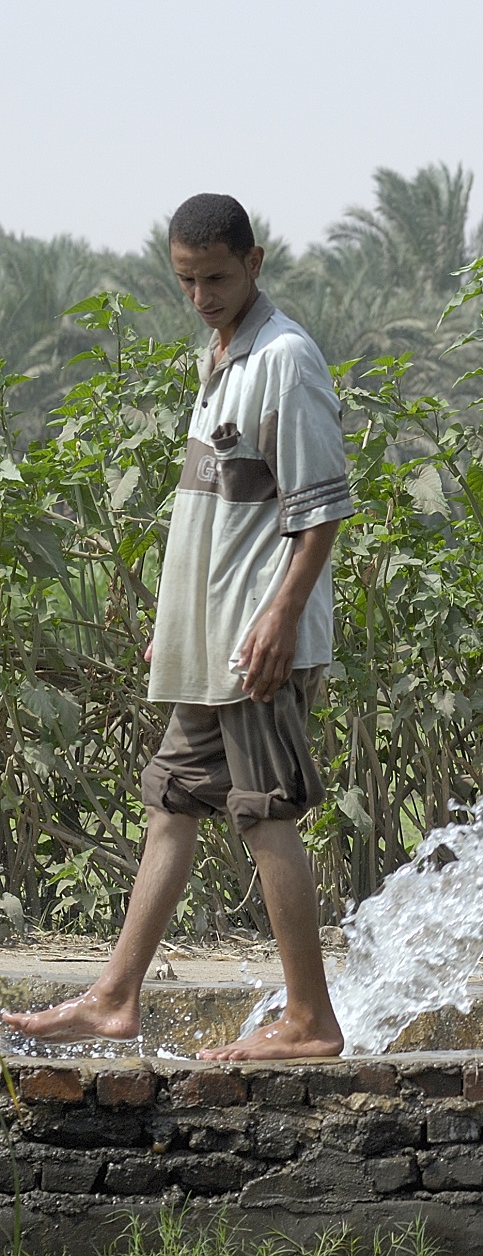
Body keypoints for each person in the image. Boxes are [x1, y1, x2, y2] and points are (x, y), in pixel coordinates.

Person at [1, 193, 352, 1060]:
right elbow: (220, 517)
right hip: (211, 642)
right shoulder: (221, 357)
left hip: (257, 644)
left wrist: (279, 618)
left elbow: (320, 512)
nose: (201, 296)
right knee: (170, 806)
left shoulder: (285, 359)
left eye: (217, 278)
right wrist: (179, 620)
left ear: (256, 262)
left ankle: (312, 1020)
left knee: (265, 814)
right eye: (186, 280)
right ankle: (116, 997)